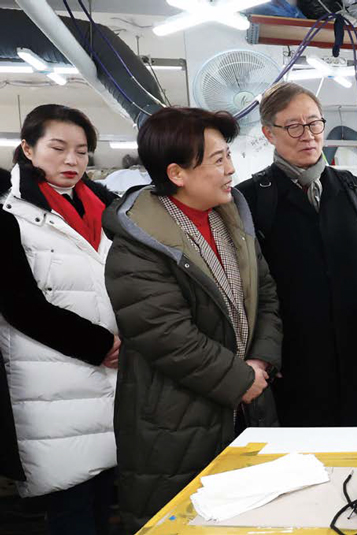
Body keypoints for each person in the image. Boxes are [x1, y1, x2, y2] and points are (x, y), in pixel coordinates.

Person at [102, 107, 282, 531]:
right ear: (177, 173)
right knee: (185, 521)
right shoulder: (139, 244)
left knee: (254, 517)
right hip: (174, 419)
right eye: (218, 159)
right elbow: (166, 335)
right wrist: (241, 378)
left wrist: (259, 363)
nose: (231, 169)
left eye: (228, 156)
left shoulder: (233, 221)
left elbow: (267, 297)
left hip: (249, 403)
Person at [237, 82, 357, 426]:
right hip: (296, 358)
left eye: (314, 123)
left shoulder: (351, 187)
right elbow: (249, 288)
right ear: (269, 133)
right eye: (293, 126)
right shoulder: (250, 198)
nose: (307, 135)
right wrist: (265, 354)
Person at [0, 104, 119, 534]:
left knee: (105, 501)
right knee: (72, 506)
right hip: (49, 381)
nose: (72, 161)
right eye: (58, 148)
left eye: (83, 151)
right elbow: (19, 303)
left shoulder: (108, 211)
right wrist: (98, 344)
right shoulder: (9, 212)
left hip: (111, 376)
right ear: (28, 150)